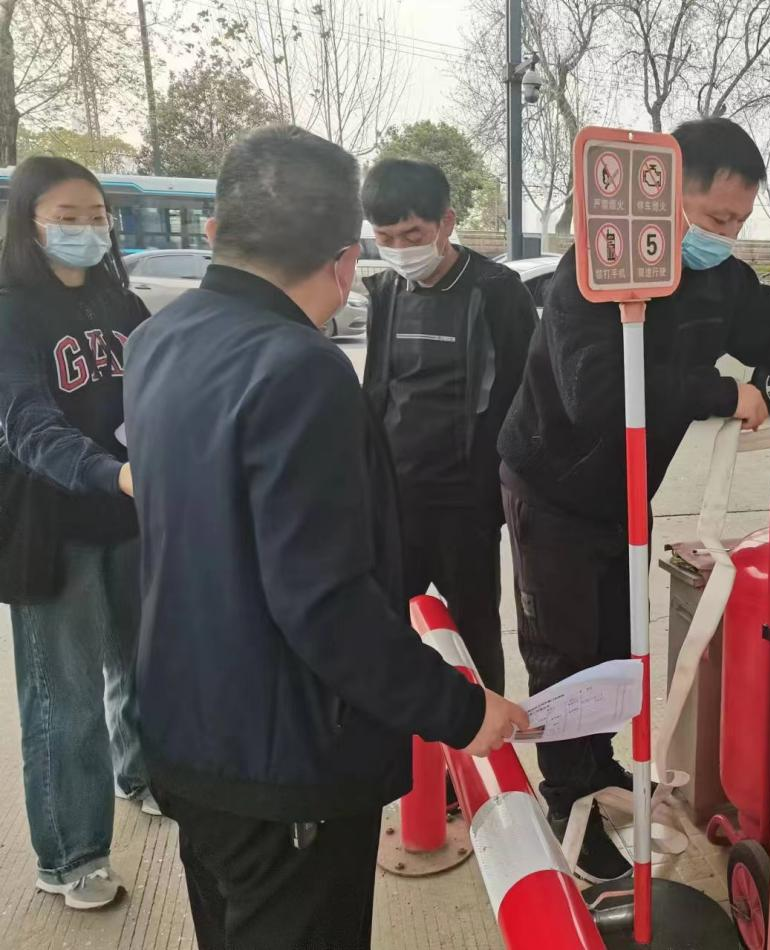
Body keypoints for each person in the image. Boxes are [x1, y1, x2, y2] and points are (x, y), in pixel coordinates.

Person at [124, 126, 528, 950]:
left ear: (216, 232)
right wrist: (459, 710)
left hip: (183, 728)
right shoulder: (298, 367)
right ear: (346, 262)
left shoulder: (159, 338)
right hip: (282, 763)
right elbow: (325, 604)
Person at [498, 117, 770, 884]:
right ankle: (567, 798)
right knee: (564, 651)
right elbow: (595, 392)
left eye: (738, 222)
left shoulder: (720, 282)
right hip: (553, 488)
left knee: (615, 641)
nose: (724, 237)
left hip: (628, 490)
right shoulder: (592, 272)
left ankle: (599, 767)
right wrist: (722, 393)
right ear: (662, 197)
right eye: (714, 218)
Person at [0, 157, 154, 911]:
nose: (87, 230)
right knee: (64, 699)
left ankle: (144, 776)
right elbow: (25, 423)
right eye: (67, 218)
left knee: (143, 665)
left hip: (130, 517)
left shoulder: (121, 303)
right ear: (29, 224)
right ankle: (71, 855)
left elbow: (163, 387)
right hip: (51, 528)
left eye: (97, 217)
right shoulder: (11, 312)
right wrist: (112, 473)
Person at [361, 159, 536, 696]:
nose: (400, 248)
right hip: (397, 500)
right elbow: (376, 389)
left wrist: (501, 493)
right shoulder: (386, 290)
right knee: (389, 630)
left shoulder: (497, 291)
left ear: (447, 223)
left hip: (467, 508)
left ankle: (486, 736)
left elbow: (525, 397)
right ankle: (406, 740)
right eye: (386, 237)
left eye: (413, 234)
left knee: (475, 633)